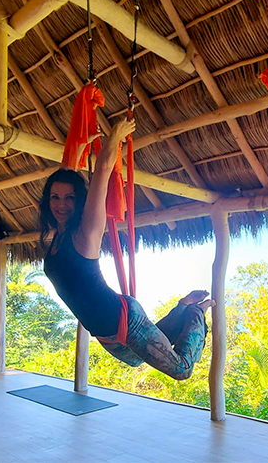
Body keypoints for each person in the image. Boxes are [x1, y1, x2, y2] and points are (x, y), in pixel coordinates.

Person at [40, 119, 215, 380]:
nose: (61, 204)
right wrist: (79, 149)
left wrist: (114, 138)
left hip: (124, 319)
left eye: (69, 198)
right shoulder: (58, 236)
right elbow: (66, 177)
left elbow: (102, 172)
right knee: (135, 359)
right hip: (105, 332)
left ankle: (195, 312)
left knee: (182, 369)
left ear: (80, 201)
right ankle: (181, 307)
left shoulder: (85, 233)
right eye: (55, 197)